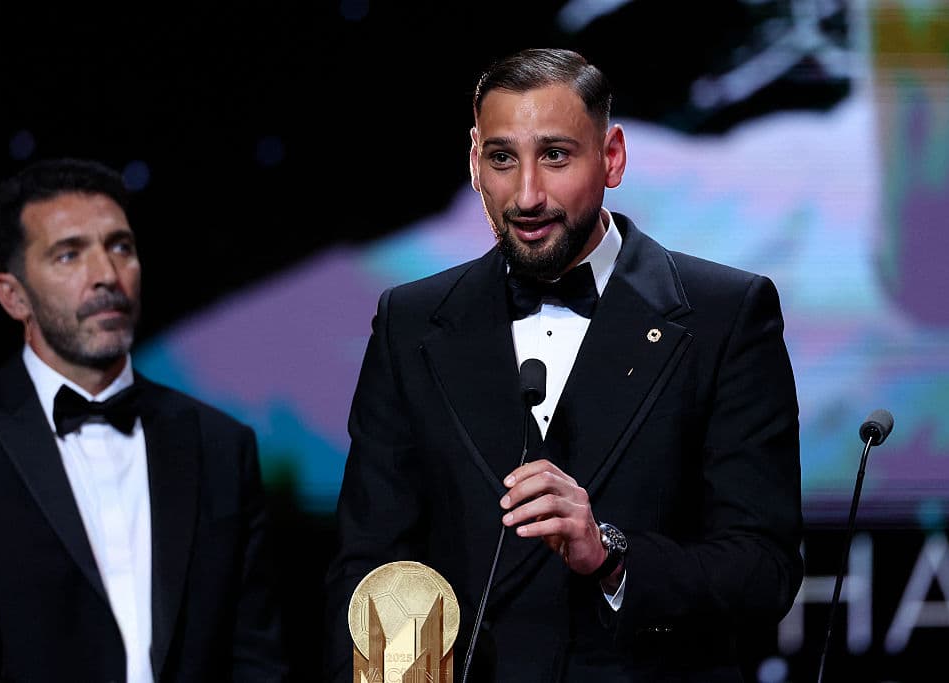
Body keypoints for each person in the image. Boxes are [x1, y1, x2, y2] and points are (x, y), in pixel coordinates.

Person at [325, 47, 802, 682]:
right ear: (474, 163)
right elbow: (368, 565)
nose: (526, 195)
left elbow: (764, 570)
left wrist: (609, 556)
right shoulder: (411, 323)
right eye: (502, 158)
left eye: (555, 155)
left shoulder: (725, 315)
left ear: (612, 158)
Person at [0, 157, 288, 682]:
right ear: (14, 296)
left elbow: (256, 653)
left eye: (120, 247)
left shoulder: (220, 446)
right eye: (69, 255)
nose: (106, 275)